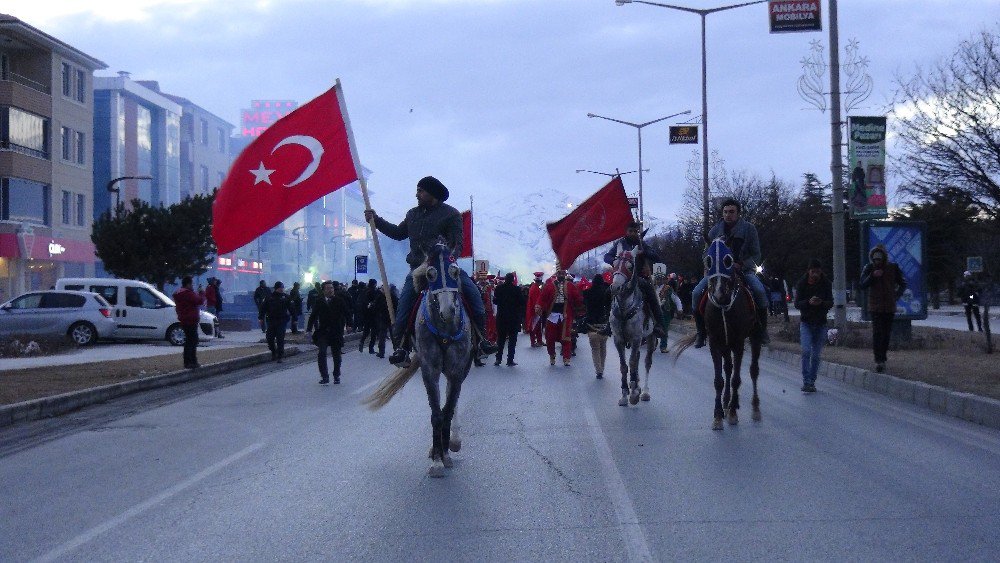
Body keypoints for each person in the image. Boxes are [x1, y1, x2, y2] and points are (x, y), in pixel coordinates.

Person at [364, 175, 497, 367]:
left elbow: (458, 244)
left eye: (421, 191)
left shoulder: (451, 215)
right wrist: (376, 220)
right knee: (403, 308)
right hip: (418, 269)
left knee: (474, 296)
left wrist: (445, 258)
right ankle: (401, 349)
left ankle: (482, 340)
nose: (417, 194)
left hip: (445, 267)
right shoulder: (412, 214)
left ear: (432, 194)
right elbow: (398, 233)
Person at [691, 199, 770, 348]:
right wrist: (710, 265)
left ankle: (761, 330)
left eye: (732, 212)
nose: (728, 215)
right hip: (717, 272)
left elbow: (756, 254)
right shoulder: (714, 231)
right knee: (696, 293)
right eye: (725, 212)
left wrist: (741, 264)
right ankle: (701, 331)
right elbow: (705, 254)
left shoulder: (749, 229)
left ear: (738, 213)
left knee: (759, 291)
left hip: (743, 271)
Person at [603, 221, 667, 338]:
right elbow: (606, 256)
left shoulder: (642, 244)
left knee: (652, 296)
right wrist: (615, 260)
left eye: (635, 231)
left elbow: (656, 257)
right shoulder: (619, 244)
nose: (633, 233)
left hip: (638, 278)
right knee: (608, 293)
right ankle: (607, 323)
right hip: (622, 276)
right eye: (630, 231)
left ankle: (659, 325)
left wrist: (644, 252)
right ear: (626, 232)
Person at [859, 244, 907, 373]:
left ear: (884, 258)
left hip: (889, 306)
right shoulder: (869, 268)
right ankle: (878, 360)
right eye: (875, 259)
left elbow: (903, 283)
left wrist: (896, 295)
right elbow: (862, 284)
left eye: (879, 259)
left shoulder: (892, 268)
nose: (877, 261)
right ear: (872, 259)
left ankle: (883, 358)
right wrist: (873, 275)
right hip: (875, 306)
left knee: (886, 334)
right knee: (878, 333)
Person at [794, 259, 833, 393]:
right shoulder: (802, 283)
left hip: (821, 323)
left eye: (817, 271)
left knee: (816, 355)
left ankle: (812, 381)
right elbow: (797, 303)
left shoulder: (826, 283)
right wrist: (808, 303)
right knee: (806, 351)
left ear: (821, 271)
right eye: (812, 271)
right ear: (808, 271)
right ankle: (806, 381)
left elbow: (830, 302)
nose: (815, 274)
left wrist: (821, 303)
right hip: (806, 323)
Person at [307, 280, 351, 384]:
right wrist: (308, 329)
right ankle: (324, 376)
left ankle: (336, 375)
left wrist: (349, 324)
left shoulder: (339, 300)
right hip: (323, 332)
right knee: (322, 353)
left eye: (331, 288)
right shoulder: (319, 301)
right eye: (328, 288)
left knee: (336, 355)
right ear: (323, 290)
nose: (330, 290)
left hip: (336, 331)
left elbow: (347, 313)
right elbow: (313, 316)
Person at [538, 268, 584, 367]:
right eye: (560, 273)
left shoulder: (571, 286)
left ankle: (566, 358)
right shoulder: (549, 286)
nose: (561, 275)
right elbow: (542, 298)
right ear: (557, 274)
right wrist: (539, 306)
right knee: (550, 338)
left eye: (563, 273)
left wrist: (580, 305)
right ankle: (552, 355)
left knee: (566, 337)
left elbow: (577, 299)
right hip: (552, 315)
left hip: (565, 315)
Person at [582, 273, 612, 379]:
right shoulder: (607, 292)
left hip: (592, 325)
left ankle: (598, 370)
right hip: (604, 324)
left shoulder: (587, 293)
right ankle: (602, 368)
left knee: (595, 349)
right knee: (603, 347)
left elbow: (582, 301)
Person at [493, 272, 525, 366]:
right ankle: (510, 360)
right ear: (512, 280)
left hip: (501, 317)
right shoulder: (517, 289)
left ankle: (498, 359)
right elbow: (522, 302)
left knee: (500, 340)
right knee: (512, 341)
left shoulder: (499, 288)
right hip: (513, 318)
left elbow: (495, 301)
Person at [173, 276, 204, 370]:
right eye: (192, 284)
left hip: (184, 319)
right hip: (191, 320)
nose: (192, 285)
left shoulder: (179, 293)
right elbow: (200, 301)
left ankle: (189, 361)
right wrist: (202, 293)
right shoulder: (188, 294)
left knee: (189, 341)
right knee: (192, 341)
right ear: (188, 284)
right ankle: (191, 362)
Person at [259, 281, 294, 362]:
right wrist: (260, 318)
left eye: (282, 287)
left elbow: (291, 308)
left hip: (282, 321)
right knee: (269, 338)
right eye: (280, 287)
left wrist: (294, 318)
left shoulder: (286, 297)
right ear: (277, 288)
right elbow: (263, 308)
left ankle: (280, 356)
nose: (282, 289)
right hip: (271, 321)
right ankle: (274, 352)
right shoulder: (269, 297)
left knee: (280, 339)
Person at [657, 276, 683, 353]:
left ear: (665, 280)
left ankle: (663, 346)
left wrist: (679, 308)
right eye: (658, 279)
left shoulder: (668, 289)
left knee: (664, 329)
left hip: (665, 312)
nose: (659, 281)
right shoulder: (652, 287)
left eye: (661, 279)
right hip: (653, 311)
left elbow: (676, 299)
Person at [370, 283, 396, 358]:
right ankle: (396, 351)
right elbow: (397, 306)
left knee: (383, 335)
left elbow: (375, 308)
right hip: (390, 318)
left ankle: (382, 352)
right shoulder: (392, 296)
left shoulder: (380, 297)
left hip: (384, 318)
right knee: (392, 335)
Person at [524, 272, 545, 347]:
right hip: (535, 311)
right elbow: (537, 301)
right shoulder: (535, 289)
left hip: (535, 310)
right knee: (534, 326)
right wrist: (538, 311)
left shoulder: (534, 287)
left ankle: (539, 340)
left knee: (538, 326)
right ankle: (533, 342)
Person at [358, 279, 378, 353]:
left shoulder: (364, 291)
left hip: (365, 315)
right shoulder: (374, 291)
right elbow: (377, 301)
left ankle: (362, 341)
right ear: (375, 284)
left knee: (366, 331)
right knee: (374, 332)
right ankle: (371, 348)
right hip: (373, 314)